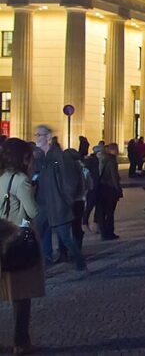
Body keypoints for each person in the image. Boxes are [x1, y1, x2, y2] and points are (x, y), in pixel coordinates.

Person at [0, 138, 46, 355]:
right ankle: (21, 342)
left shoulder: (2, 178)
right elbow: (33, 212)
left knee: (4, 292)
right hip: (19, 240)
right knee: (21, 295)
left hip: (2, 238)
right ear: (24, 158)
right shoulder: (21, 181)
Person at [32, 126, 87, 271]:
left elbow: (69, 180)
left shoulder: (58, 156)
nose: (37, 137)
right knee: (35, 233)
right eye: (36, 134)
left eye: (40, 135)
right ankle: (40, 264)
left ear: (48, 137)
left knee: (65, 237)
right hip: (42, 202)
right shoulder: (39, 157)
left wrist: (67, 199)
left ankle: (80, 262)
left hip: (57, 203)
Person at [96, 142, 123, 240]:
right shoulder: (111, 161)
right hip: (110, 189)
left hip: (101, 188)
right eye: (116, 149)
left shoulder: (102, 159)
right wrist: (118, 189)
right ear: (112, 150)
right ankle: (109, 232)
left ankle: (103, 232)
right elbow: (114, 177)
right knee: (110, 213)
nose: (118, 151)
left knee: (103, 212)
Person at [82, 145, 101, 230]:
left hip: (98, 186)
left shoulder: (99, 161)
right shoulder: (91, 161)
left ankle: (96, 223)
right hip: (93, 186)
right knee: (90, 205)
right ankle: (85, 222)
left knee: (98, 206)